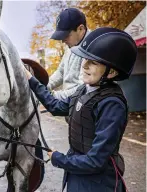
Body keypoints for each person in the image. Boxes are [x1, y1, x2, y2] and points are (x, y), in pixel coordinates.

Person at [24, 27, 137, 191]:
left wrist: (59, 158)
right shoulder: (84, 90)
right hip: (77, 174)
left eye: (94, 63)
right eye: (85, 59)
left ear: (111, 72)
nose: (85, 66)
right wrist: (32, 80)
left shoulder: (112, 104)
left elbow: (95, 161)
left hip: (98, 183)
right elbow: (55, 106)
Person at [48, 8, 90, 100]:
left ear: (81, 29)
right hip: (69, 106)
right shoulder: (71, 45)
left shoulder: (91, 51)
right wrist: (45, 86)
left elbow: (83, 89)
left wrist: (52, 96)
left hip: (82, 107)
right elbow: (60, 72)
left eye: (66, 35)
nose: (63, 41)